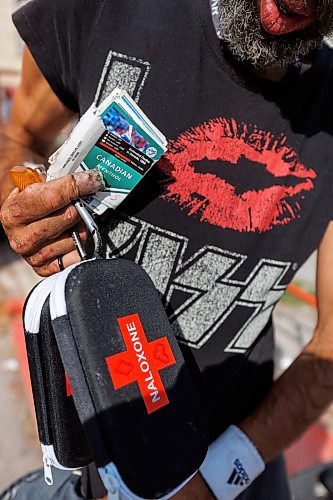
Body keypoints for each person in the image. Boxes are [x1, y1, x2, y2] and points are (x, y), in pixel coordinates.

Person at [1, 0, 333, 498]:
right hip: (89, 439)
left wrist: (215, 479)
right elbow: (21, 134)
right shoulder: (104, 11)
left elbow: (330, 346)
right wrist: (25, 197)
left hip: (240, 449)